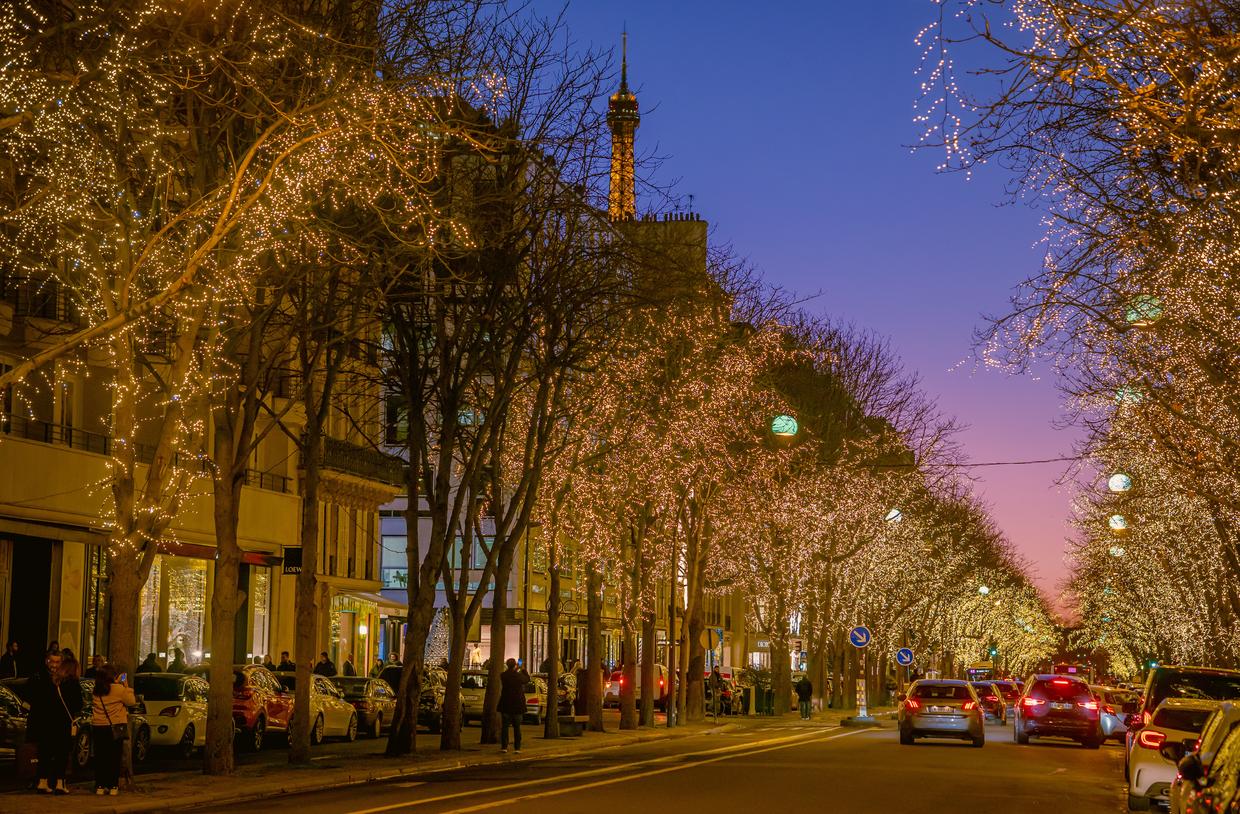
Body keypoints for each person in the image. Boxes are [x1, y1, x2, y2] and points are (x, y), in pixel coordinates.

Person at [27, 649, 82, 794]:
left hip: (47, 722)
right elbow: (77, 704)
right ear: (47, 661)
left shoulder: (55, 680)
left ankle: (43, 782)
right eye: (52, 661)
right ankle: (58, 783)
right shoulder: (50, 679)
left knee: (46, 752)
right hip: (58, 723)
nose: (55, 665)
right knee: (59, 753)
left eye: (58, 662)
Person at [91, 664, 135, 796]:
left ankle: (100, 785)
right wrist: (126, 686)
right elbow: (131, 701)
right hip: (115, 726)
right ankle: (113, 786)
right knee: (114, 757)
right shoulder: (119, 689)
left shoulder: (97, 690)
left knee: (100, 757)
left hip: (98, 726)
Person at [498, 658, 529, 754]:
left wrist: (515, 669)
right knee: (517, 727)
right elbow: (527, 679)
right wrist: (522, 669)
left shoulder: (503, 675)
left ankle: (504, 747)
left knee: (505, 727)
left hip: (506, 704)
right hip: (517, 705)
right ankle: (517, 748)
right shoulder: (519, 676)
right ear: (515, 664)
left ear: (507, 665)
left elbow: (510, 675)